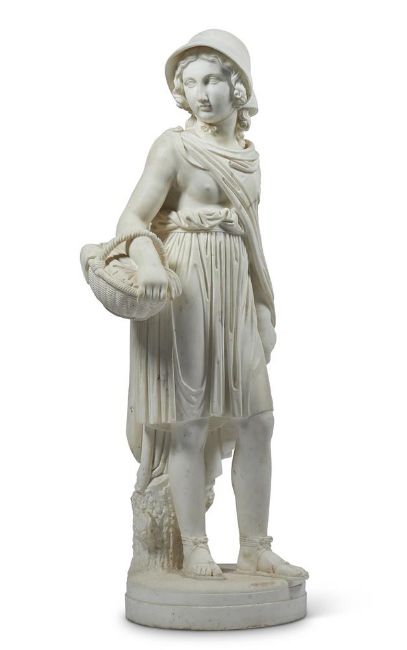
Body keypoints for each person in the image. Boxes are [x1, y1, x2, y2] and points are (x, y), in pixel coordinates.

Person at [116, 29, 308, 581]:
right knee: (189, 421)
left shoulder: (249, 156)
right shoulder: (174, 147)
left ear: (237, 86)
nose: (201, 93)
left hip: (236, 288)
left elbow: (254, 239)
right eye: (191, 82)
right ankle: (195, 545)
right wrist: (150, 263)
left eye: (212, 80)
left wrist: (264, 306)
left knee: (259, 420)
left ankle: (254, 547)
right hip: (187, 283)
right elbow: (131, 219)